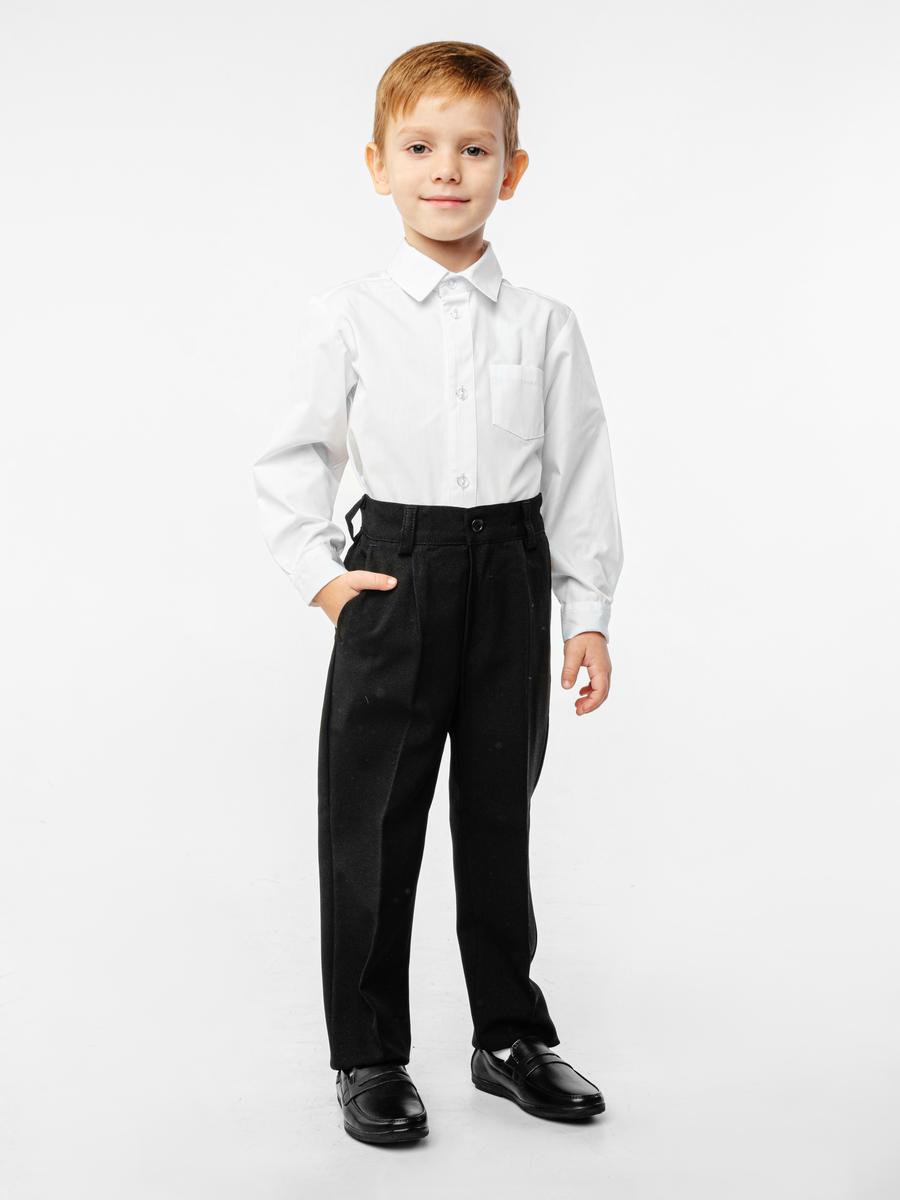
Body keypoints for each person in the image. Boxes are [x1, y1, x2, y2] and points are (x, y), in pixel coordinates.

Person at [252, 39, 624, 1144]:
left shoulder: (545, 325)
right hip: (396, 575)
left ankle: (509, 1038)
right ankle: (369, 1055)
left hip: (509, 573)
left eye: (474, 149)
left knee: (498, 815)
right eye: (419, 148)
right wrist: (327, 582)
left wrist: (587, 615)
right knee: (371, 822)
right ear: (378, 165)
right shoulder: (347, 315)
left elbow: (581, 474)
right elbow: (292, 458)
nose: (446, 170)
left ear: (513, 169)